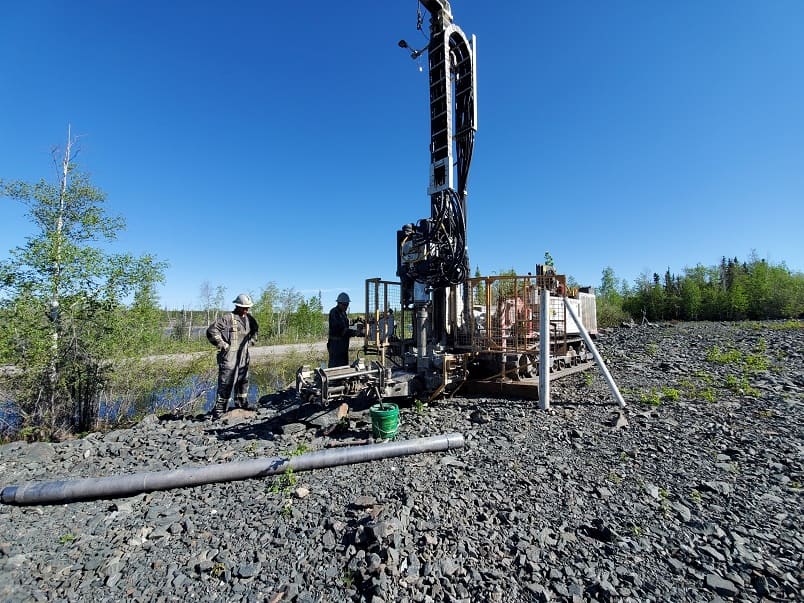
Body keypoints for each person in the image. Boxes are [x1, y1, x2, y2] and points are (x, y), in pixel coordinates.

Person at [206, 293, 259, 417]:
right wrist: (223, 345)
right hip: (229, 356)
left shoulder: (250, 319)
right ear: (237, 306)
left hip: (244, 356)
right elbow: (211, 331)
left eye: (248, 308)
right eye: (244, 307)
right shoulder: (228, 318)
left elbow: (255, 330)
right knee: (226, 382)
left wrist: (251, 342)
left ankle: (241, 403)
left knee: (243, 380)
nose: (246, 310)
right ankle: (220, 410)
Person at [327, 292, 357, 367]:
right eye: (344, 305)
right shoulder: (334, 312)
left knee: (343, 366)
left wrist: (355, 324)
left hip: (343, 344)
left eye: (347, 305)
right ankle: (332, 378)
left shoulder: (343, 313)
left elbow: (346, 325)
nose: (346, 307)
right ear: (339, 303)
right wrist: (356, 333)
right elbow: (342, 330)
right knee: (335, 366)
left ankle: (342, 378)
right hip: (336, 345)